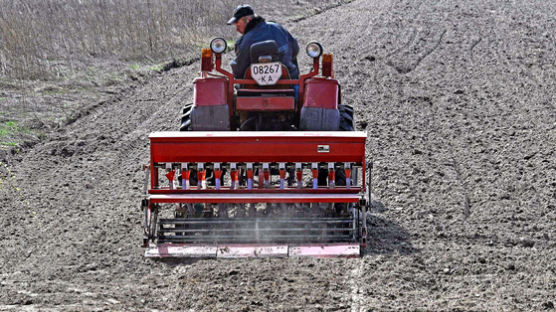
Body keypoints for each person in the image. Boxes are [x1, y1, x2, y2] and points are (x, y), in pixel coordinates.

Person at [227, 5, 299, 79]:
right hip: (288, 81)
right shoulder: (278, 28)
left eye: (238, 25)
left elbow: (239, 71)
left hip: (252, 87)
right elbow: (295, 50)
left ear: (248, 20)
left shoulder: (244, 42)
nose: (237, 29)